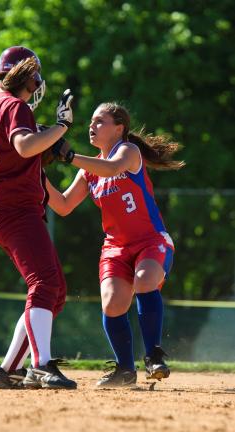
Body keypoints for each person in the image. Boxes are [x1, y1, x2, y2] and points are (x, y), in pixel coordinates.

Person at [46, 102, 185, 388]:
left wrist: (70, 156)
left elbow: (111, 168)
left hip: (150, 240)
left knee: (145, 280)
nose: (91, 126)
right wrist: (33, 176)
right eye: (91, 122)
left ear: (119, 128)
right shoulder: (88, 172)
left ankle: (153, 355)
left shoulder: (127, 152)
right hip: (116, 248)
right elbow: (62, 205)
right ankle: (124, 369)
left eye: (100, 121)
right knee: (112, 303)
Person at [0, 45, 77, 390]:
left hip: (6, 207)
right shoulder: (14, 106)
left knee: (54, 291)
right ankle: (41, 365)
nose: (36, 86)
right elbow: (22, 146)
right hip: (15, 210)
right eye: (34, 79)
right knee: (45, 283)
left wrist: (34, 158)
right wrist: (61, 126)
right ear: (28, 77)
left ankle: (9, 370)